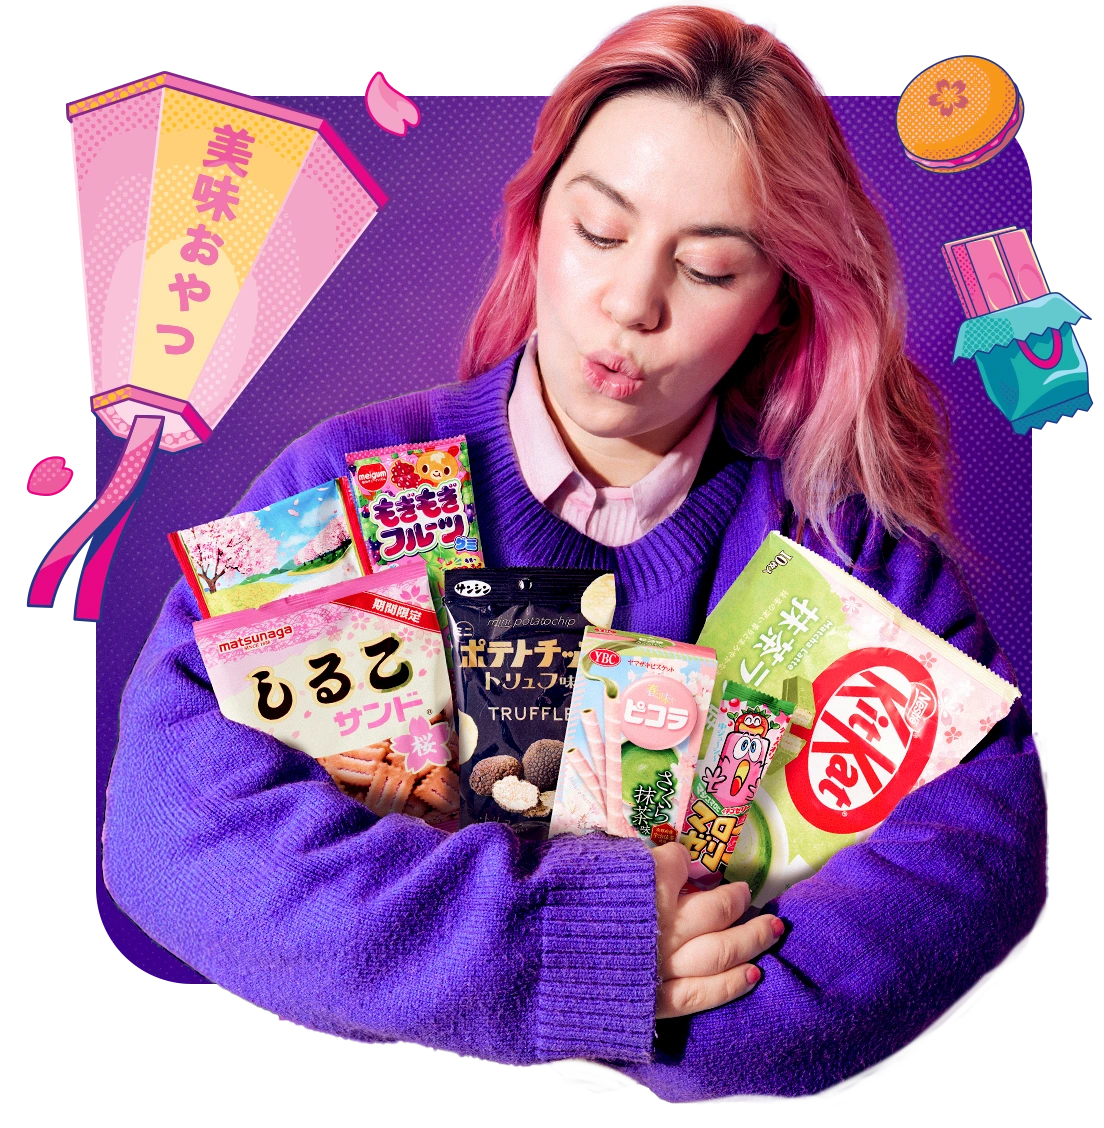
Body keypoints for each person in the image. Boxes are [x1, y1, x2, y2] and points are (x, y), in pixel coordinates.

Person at [102, 1, 1047, 1105]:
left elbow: (985, 850)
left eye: (707, 269)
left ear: (778, 305)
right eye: (599, 231)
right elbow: (176, 833)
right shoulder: (353, 485)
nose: (631, 303)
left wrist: (656, 1018)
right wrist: (585, 953)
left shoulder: (839, 541)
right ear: (537, 219)